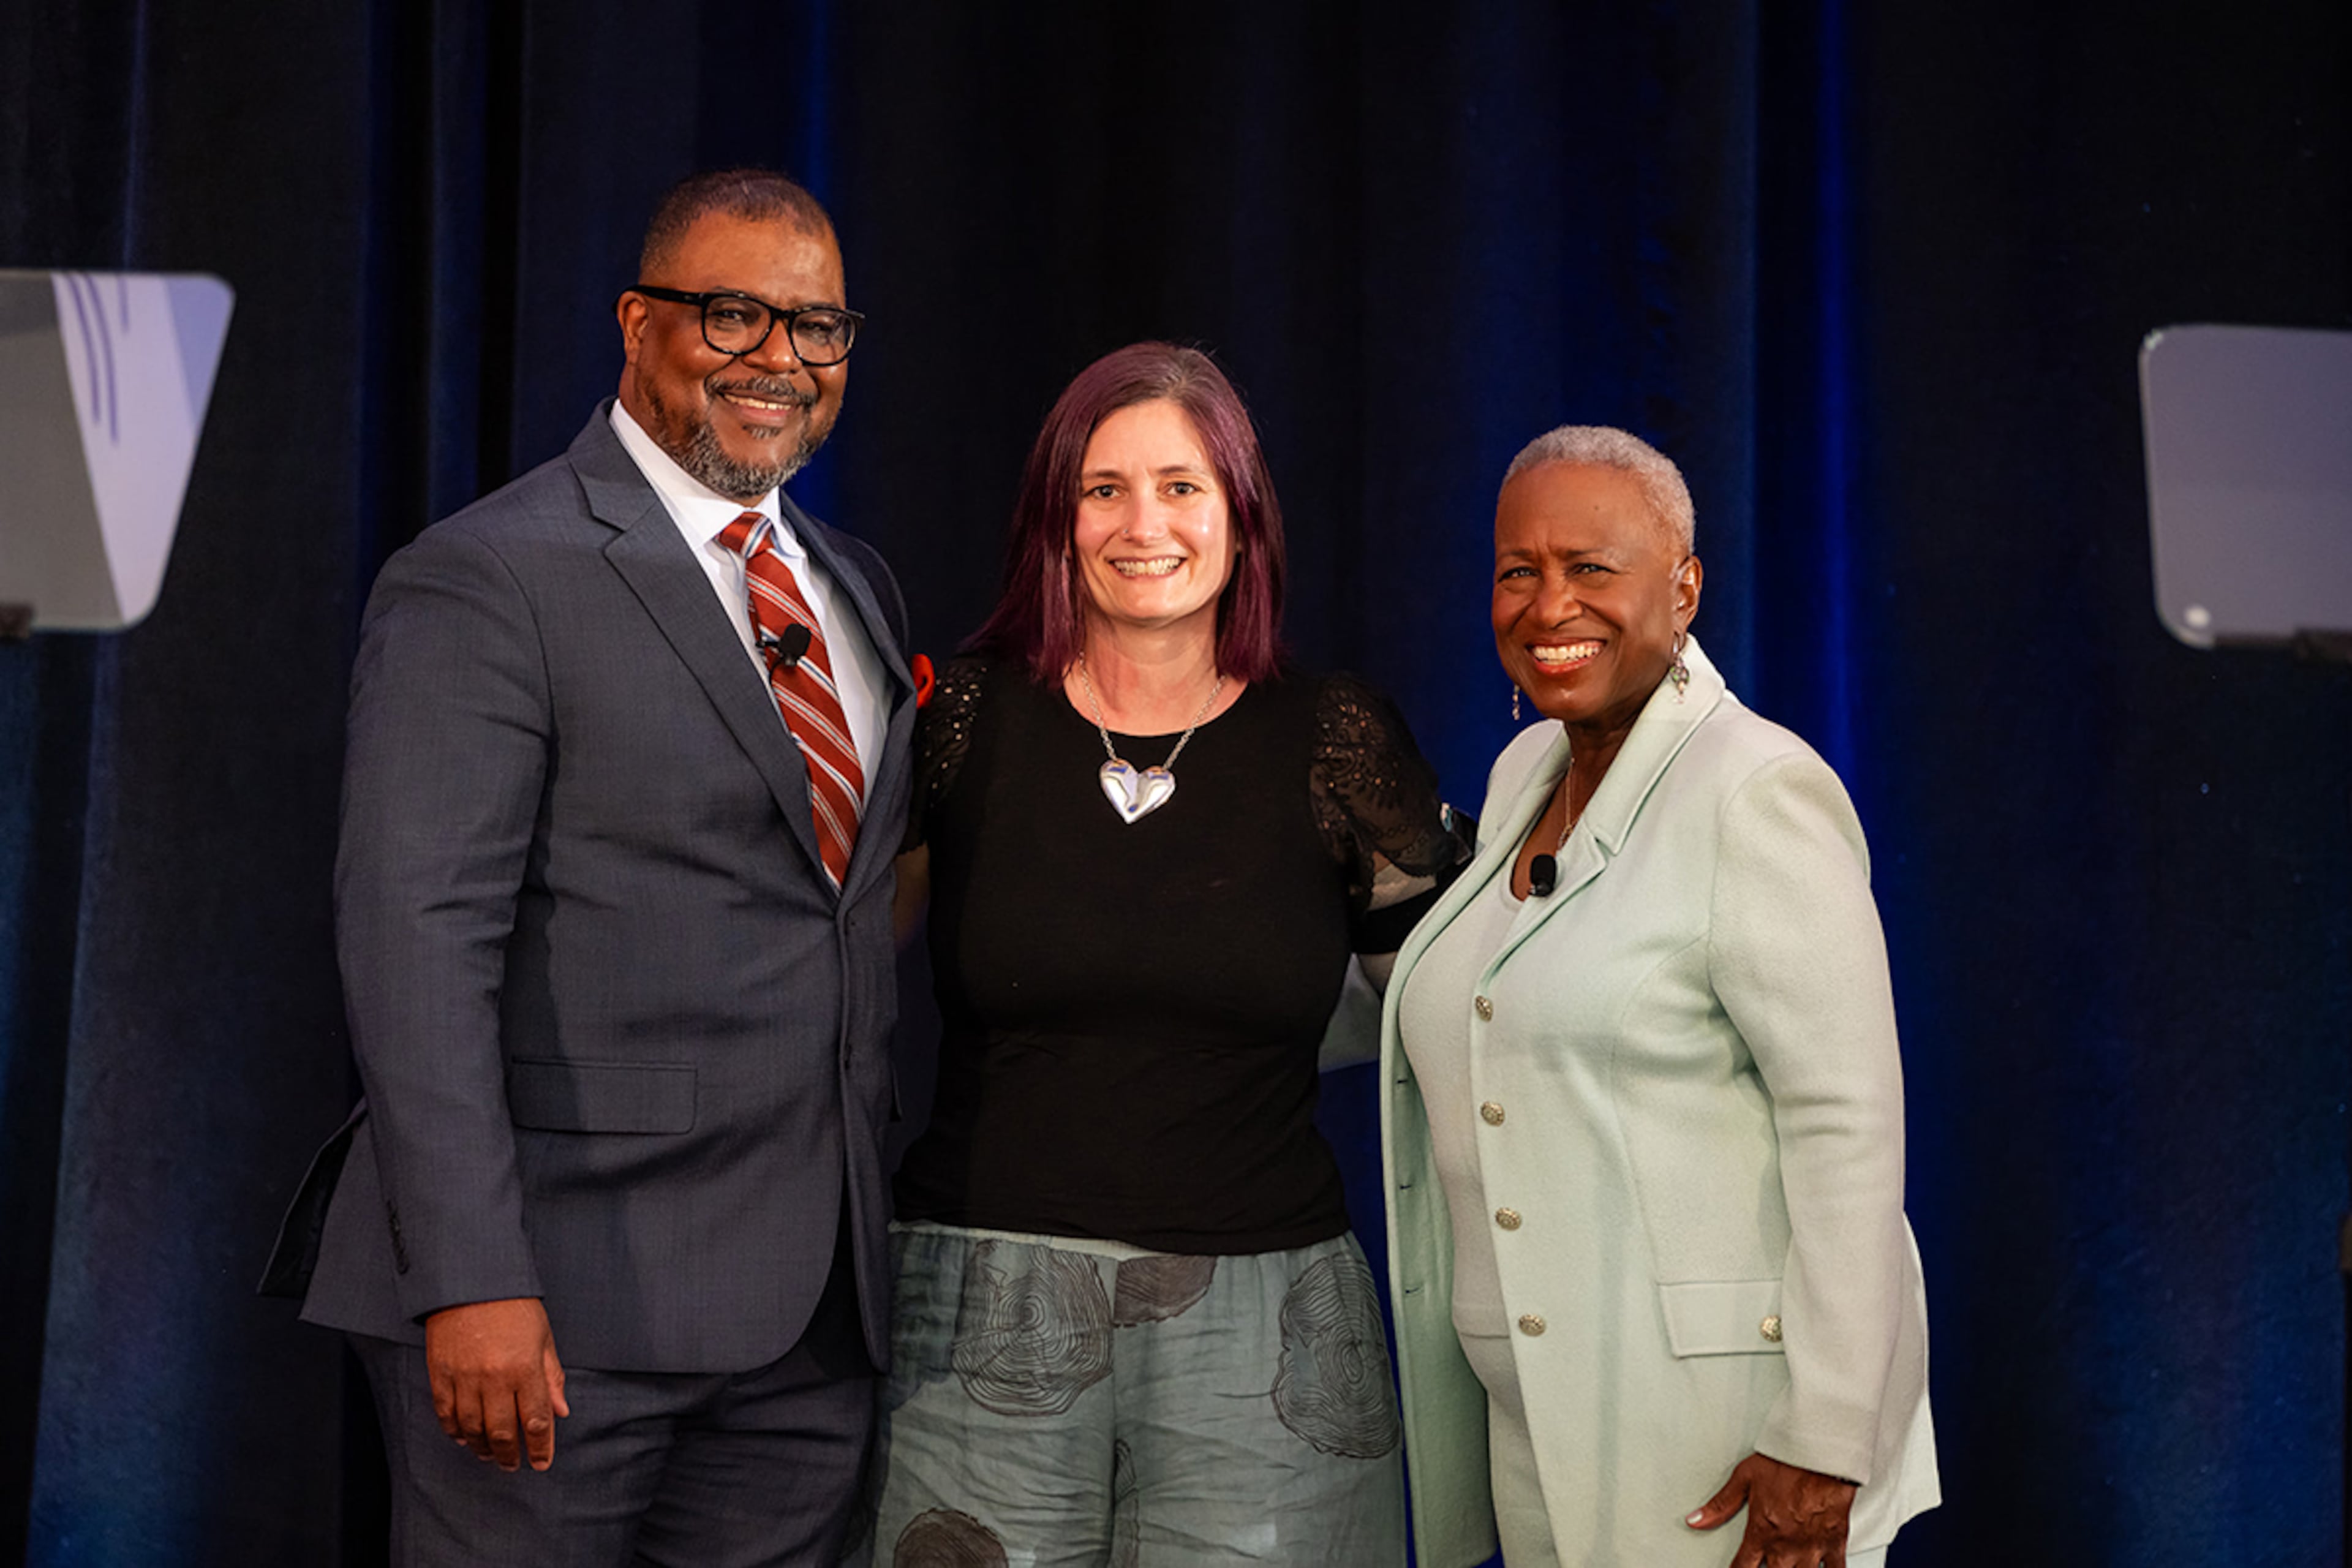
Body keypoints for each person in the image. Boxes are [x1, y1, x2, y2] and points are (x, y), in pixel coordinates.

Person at [261, 168, 915, 1566]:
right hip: (557, 1308)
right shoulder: (492, 575)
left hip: (811, 1323)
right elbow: (416, 941)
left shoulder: (851, 583)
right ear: (637, 323)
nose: (778, 361)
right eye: (731, 315)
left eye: (817, 328)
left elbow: (834, 911)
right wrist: (474, 1278)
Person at [869, 342, 1465, 1567]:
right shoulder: (960, 722)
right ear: (1058, 516)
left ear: (1242, 517)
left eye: (1183, 485)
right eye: (1105, 489)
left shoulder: (1336, 740)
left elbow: (1463, 1013)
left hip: (1266, 1324)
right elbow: (817, 970)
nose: (1145, 522)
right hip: (980, 1302)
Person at [1382, 426, 1940, 1567]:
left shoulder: (1758, 791)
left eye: (1593, 568)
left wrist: (1826, 1440)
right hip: (1540, 1429)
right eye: (1518, 570)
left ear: (1683, 589)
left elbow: (1848, 1126)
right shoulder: (1521, 773)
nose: (1550, 605)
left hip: (1724, 1442)